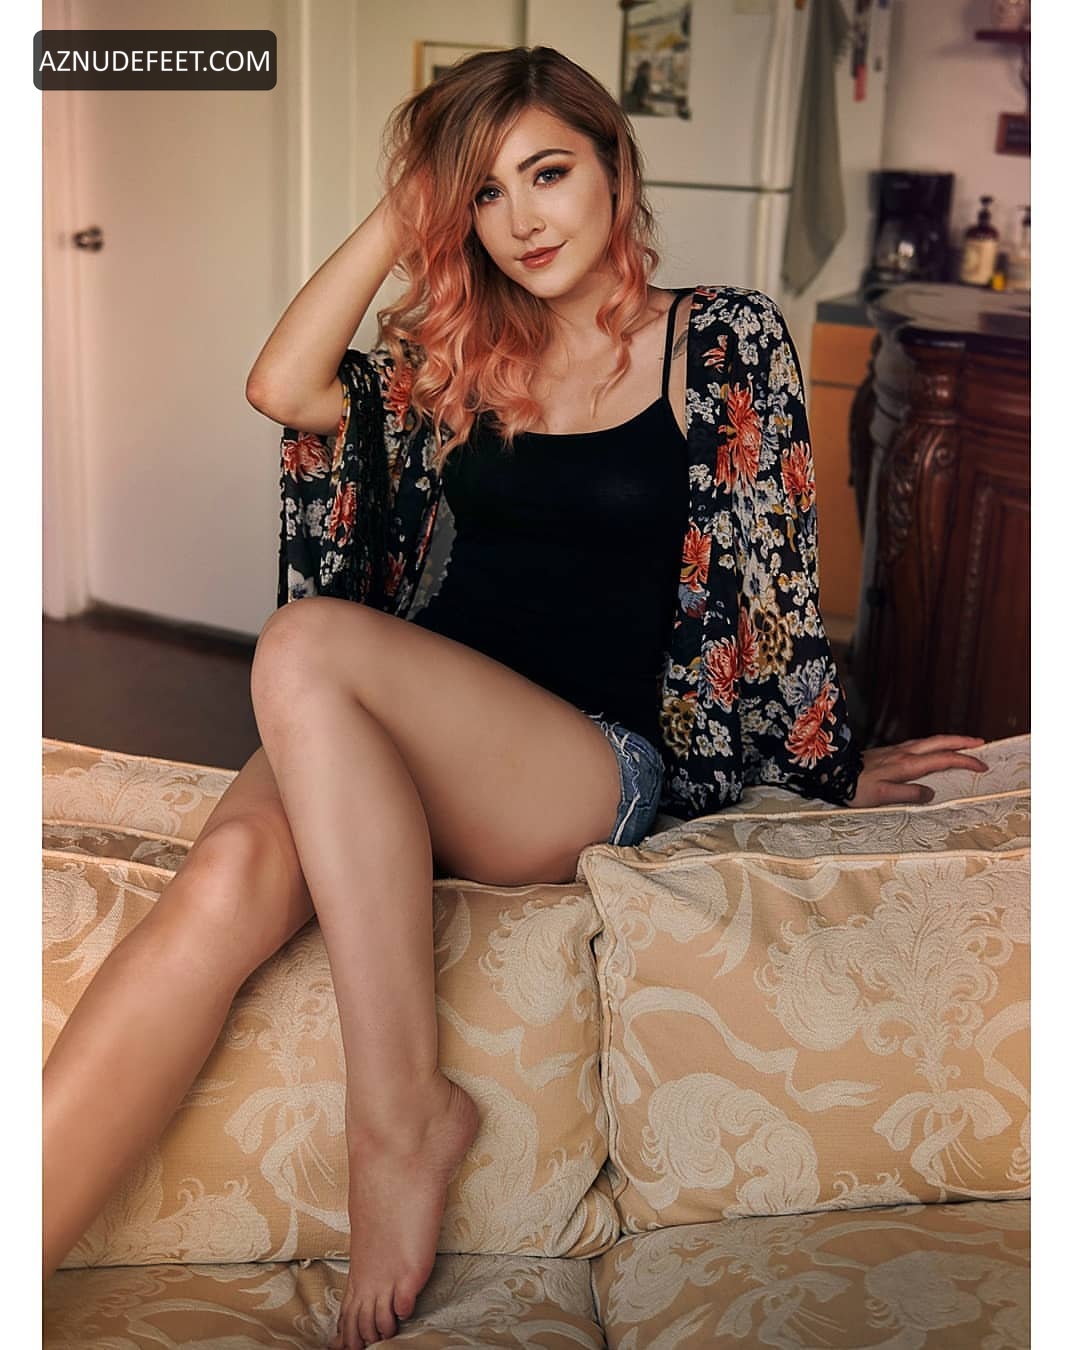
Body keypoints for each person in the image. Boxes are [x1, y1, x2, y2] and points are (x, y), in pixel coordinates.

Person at [42, 45, 987, 1349]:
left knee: (305, 646)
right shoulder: (459, 354)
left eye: (548, 173)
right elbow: (284, 388)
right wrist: (407, 204)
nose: (523, 218)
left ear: (615, 170)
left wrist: (824, 763)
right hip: (397, 725)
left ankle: (400, 1118)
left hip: (584, 757)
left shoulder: (719, 339)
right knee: (228, 877)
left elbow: (770, 577)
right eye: (484, 192)